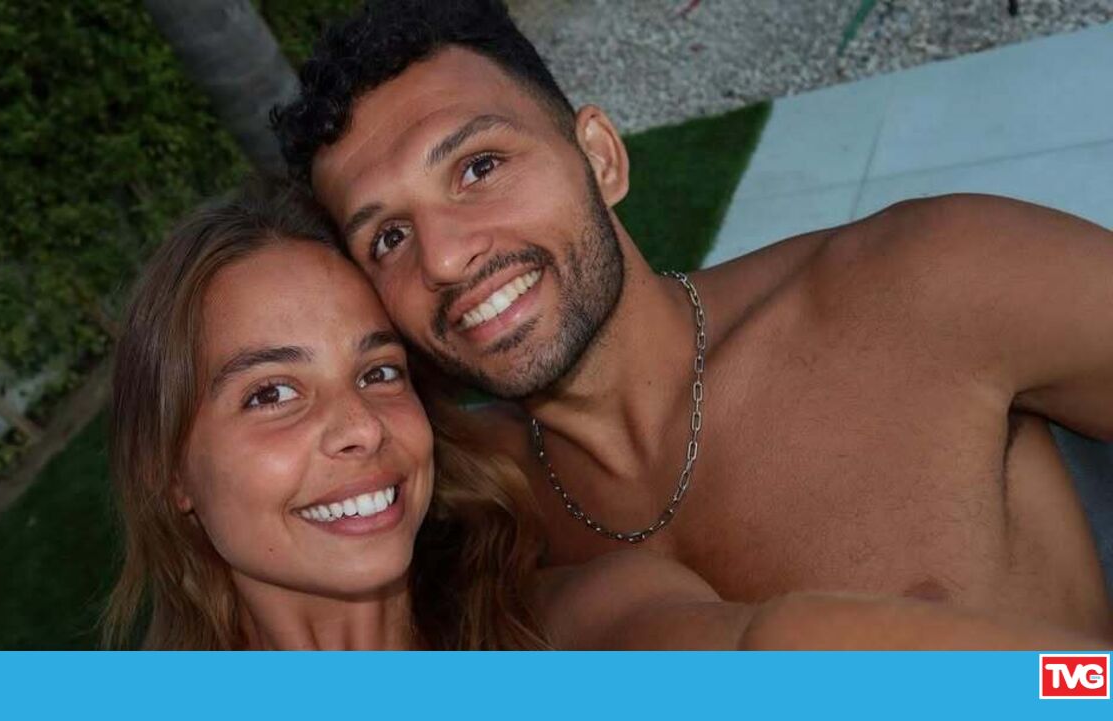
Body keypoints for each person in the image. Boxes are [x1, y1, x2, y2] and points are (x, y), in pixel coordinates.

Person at [272, 0, 1113, 639]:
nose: (447, 257)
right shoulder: (462, 506)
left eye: (479, 166)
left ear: (600, 156)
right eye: (388, 237)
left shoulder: (928, 282)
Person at [103, 181, 1107, 650]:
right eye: (271, 393)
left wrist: (1076, 685)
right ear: (170, 473)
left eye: (378, 372)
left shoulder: (562, 625)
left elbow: (766, 651)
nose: (358, 427)